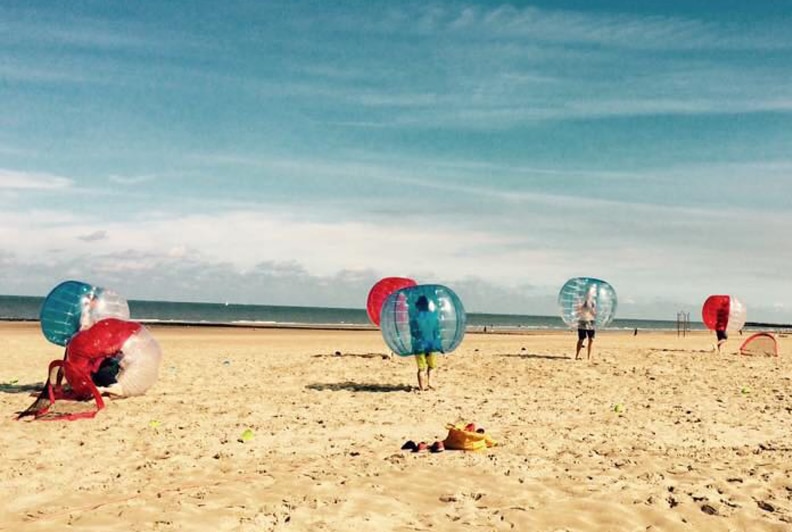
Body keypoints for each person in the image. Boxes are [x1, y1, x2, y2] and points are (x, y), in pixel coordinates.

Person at [409, 295, 442, 391]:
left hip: (419, 345)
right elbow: (436, 332)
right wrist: (438, 345)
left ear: (418, 306)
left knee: (421, 368)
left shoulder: (415, 318)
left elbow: (413, 333)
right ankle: (430, 383)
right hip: (431, 344)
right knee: (432, 366)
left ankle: (422, 387)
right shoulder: (433, 317)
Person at [575, 286, 597, 360]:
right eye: (588, 293)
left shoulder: (593, 303)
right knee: (581, 339)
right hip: (582, 321)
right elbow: (578, 311)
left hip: (591, 321)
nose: (590, 295)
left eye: (591, 294)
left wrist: (592, 311)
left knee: (591, 339)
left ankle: (588, 357)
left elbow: (594, 313)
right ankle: (577, 355)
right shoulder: (581, 302)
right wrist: (582, 306)